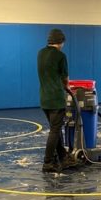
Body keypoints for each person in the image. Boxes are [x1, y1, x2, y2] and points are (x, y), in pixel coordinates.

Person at [37, 28, 77, 173]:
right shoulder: (60, 56)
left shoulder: (40, 53)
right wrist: (67, 87)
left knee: (56, 128)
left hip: (44, 98)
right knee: (55, 131)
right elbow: (65, 78)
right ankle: (48, 162)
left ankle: (63, 157)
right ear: (61, 42)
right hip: (56, 99)